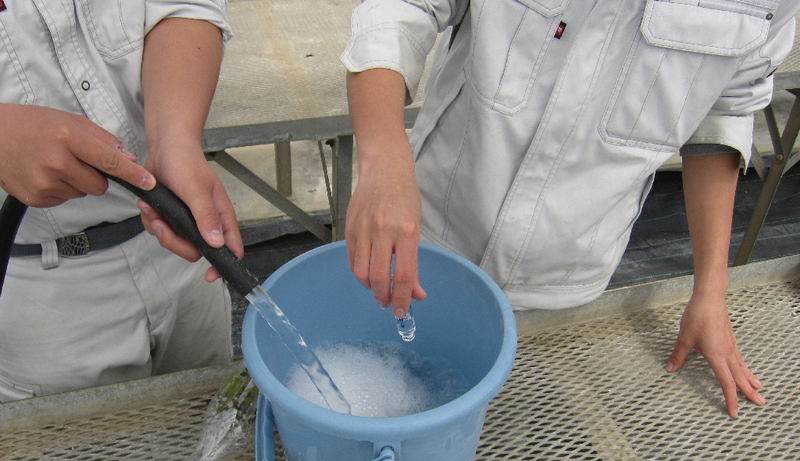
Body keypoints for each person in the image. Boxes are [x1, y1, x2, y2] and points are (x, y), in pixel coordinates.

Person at [341, 0, 800, 418]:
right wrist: (383, 160)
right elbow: (400, 9)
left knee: (511, 431)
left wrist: (711, 291)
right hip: (430, 234)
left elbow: (724, 107)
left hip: (566, 291)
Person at [0, 1, 243, 401]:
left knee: (210, 420)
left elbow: (182, 6)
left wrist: (175, 138)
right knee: (80, 441)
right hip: (39, 289)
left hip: (176, 237)